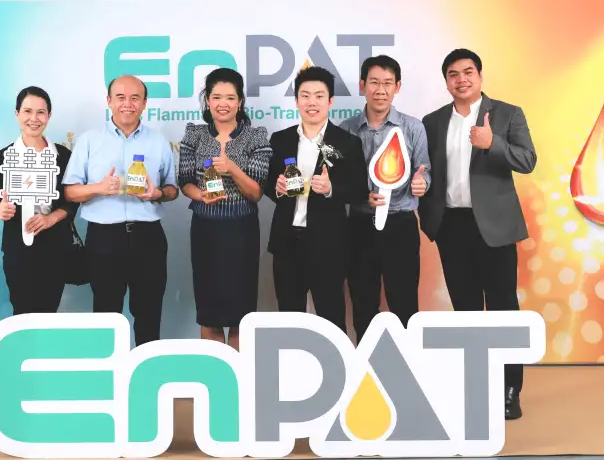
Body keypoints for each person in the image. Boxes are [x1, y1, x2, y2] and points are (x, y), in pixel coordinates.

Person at [418, 48, 537, 420]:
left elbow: (528, 160)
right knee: (466, 310)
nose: (461, 79)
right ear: (446, 81)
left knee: (503, 308)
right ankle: (475, 386)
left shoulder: (507, 114)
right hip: (451, 226)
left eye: (468, 72)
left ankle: (510, 389)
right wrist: (423, 189)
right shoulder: (433, 121)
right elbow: (428, 170)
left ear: (480, 76)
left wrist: (493, 144)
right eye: (453, 74)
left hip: (495, 227)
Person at [62, 75, 178, 346]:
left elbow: (173, 190)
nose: (128, 104)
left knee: (149, 312)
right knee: (106, 313)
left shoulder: (158, 141)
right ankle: (108, 372)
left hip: (148, 237)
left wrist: (157, 194)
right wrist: (98, 188)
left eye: (135, 98)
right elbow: (69, 192)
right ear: (109, 101)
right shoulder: (89, 141)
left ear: (144, 103)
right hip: (104, 238)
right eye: (120, 97)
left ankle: (147, 370)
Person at [263, 66, 369, 336]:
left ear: (330, 101)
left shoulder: (346, 143)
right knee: (289, 318)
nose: (312, 102)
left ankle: (336, 363)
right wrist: (277, 188)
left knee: (331, 316)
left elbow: (359, 190)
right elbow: (268, 184)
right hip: (287, 241)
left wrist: (332, 189)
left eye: (319, 96)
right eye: (305, 95)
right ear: (297, 101)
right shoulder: (280, 140)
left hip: (328, 243)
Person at [178, 68, 271, 349]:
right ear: (207, 100)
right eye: (216, 97)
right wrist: (200, 195)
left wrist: (232, 169)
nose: (223, 104)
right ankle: (214, 372)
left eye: (230, 98)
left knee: (241, 313)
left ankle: (239, 372)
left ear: (240, 102)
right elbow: (184, 182)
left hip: (241, 232)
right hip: (205, 231)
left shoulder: (256, 137)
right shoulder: (194, 134)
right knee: (209, 312)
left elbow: (256, 193)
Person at [340, 55, 431, 343]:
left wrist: (422, 183)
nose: (381, 90)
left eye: (388, 83)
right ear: (362, 85)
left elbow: (425, 169)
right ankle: (366, 363)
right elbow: (340, 180)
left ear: (397, 87)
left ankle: (407, 363)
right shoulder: (346, 129)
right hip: (359, 225)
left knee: (404, 301)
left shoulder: (413, 128)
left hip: (401, 224)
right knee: (362, 301)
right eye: (374, 82)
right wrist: (360, 195)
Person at [0, 86, 79, 315]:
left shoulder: (64, 156)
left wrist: (51, 218)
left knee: (49, 313)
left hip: (56, 247)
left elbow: (72, 200)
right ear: (17, 114)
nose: (34, 119)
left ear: (49, 116)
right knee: (22, 313)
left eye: (41, 112)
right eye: (27, 111)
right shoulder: (2, 156)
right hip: (18, 248)